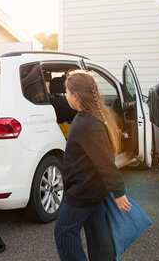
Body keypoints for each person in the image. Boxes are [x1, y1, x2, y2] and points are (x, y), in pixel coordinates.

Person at [54, 72, 131, 261]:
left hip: (83, 191)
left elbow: (105, 162)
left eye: (67, 92)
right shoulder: (91, 117)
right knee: (97, 234)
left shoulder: (87, 123)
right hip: (94, 189)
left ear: (76, 96)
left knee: (64, 232)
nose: (66, 96)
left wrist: (119, 192)